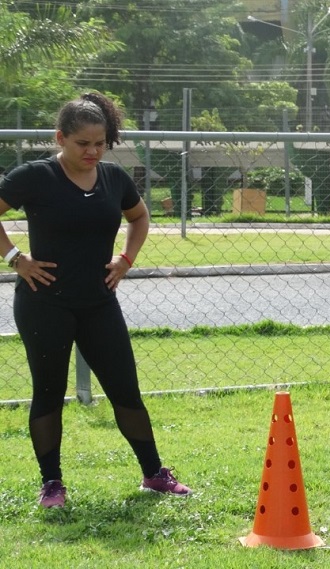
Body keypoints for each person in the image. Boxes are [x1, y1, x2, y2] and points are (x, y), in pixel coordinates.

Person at [0, 92, 191, 508]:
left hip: (99, 303)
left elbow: (139, 217)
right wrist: (17, 258)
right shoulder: (34, 176)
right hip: (43, 302)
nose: (92, 151)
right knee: (48, 393)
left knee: (126, 390)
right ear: (60, 138)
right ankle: (52, 484)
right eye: (82, 143)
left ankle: (154, 474)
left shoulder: (113, 178)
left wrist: (125, 259)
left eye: (99, 143)